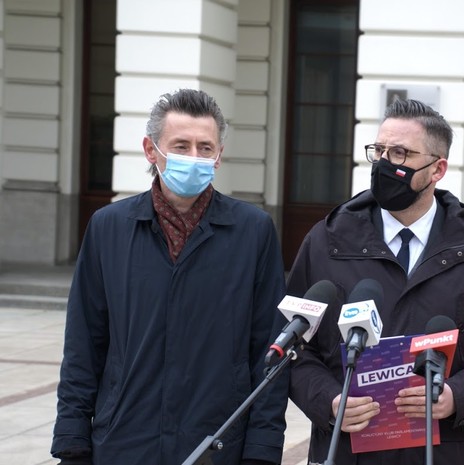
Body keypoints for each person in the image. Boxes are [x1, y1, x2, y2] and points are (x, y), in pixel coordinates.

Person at [286, 98, 464, 464]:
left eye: (401, 153)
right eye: (379, 151)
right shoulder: (327, 241)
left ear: (437, 169)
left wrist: (459, 396)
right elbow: (292, 346)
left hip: (445, 451)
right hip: (346, 450)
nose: (384, 163)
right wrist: (328, 400)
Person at [51, 89, 289, 465]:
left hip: (217, 445)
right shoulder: (108, 228)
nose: (193, 157)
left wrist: (262, 451)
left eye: (205, 148)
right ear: (151, 150)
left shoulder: (253, 232)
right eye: (181, 146)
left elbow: (269, 350)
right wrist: (72, 442)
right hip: (124, 442)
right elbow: (83, 345)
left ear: (219, 155)